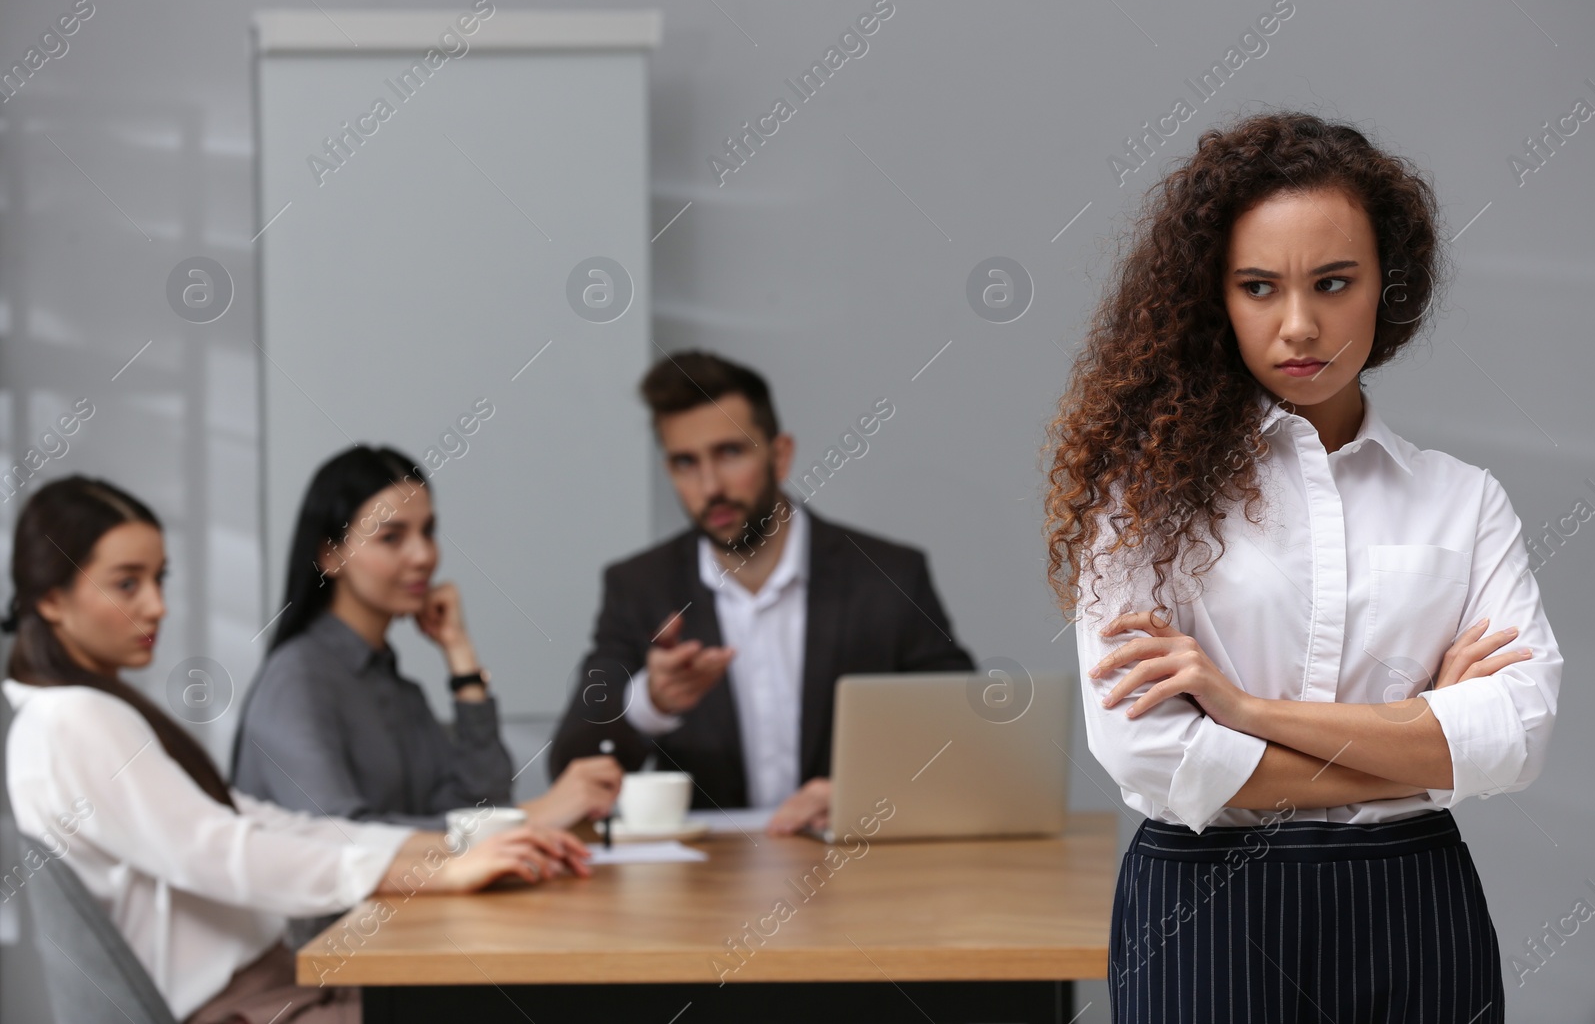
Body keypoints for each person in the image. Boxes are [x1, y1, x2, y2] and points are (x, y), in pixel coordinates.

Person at [1045, 113, 1560, 1023]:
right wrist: (1423, 741)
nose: (1299, 324)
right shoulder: (1140, 502)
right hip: (1204, 913)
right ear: (1216, 296)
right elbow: (1152, 753)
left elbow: (1515, 739)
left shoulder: (1463, 501)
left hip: (1416, 914)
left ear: (1384, 288)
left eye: (1334, 282)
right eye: (1258, 287)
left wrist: (1245, 713)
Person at [2, 476, 593, 1024]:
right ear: (52, 600)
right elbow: (221, 851)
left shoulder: (82, 711)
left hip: (282, 981)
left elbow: (257, 821)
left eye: (160, 579)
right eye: (128, 583)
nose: (157, 605)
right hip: (250, 1005)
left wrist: (442, 855)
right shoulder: (75, 720)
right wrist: (428, 871)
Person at [548, 351, 975, 835]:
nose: (710, 487)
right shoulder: (640, 587)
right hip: (705, 882)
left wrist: (866, 795)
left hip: (857, 869)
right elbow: (571, 765)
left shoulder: (887, 574)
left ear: (780, 454)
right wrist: (651, 702)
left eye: (730, 453)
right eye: (685, 463)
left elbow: (961, 736)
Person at [232, 445, 620, 832]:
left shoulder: (397, 688)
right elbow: (342, 841)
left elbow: (482, 800)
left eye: (428, 532)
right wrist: (531, 817)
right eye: (392, 537)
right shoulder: (297, 680)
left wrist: (460, 656)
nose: (423, 556)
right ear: (331, 555)